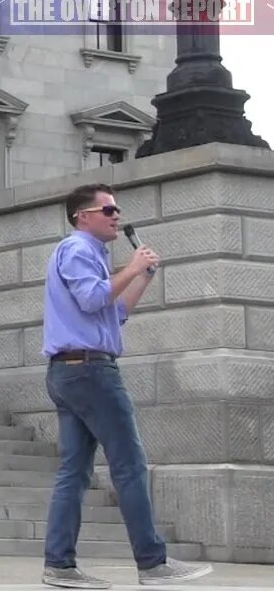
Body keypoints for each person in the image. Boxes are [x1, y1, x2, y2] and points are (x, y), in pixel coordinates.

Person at [40, 183, 213, 589]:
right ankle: (153, 562)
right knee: (129, 465)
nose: (116, 215)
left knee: (75, 471)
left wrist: (141, 279)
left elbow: (112, 314)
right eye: (108, 209)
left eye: (116, 209)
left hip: (70, 371)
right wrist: (131, 267)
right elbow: (91, 299)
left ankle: (59, 564)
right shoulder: (79, 250)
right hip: (91, 372)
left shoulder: (86, 254)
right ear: (83, 216)